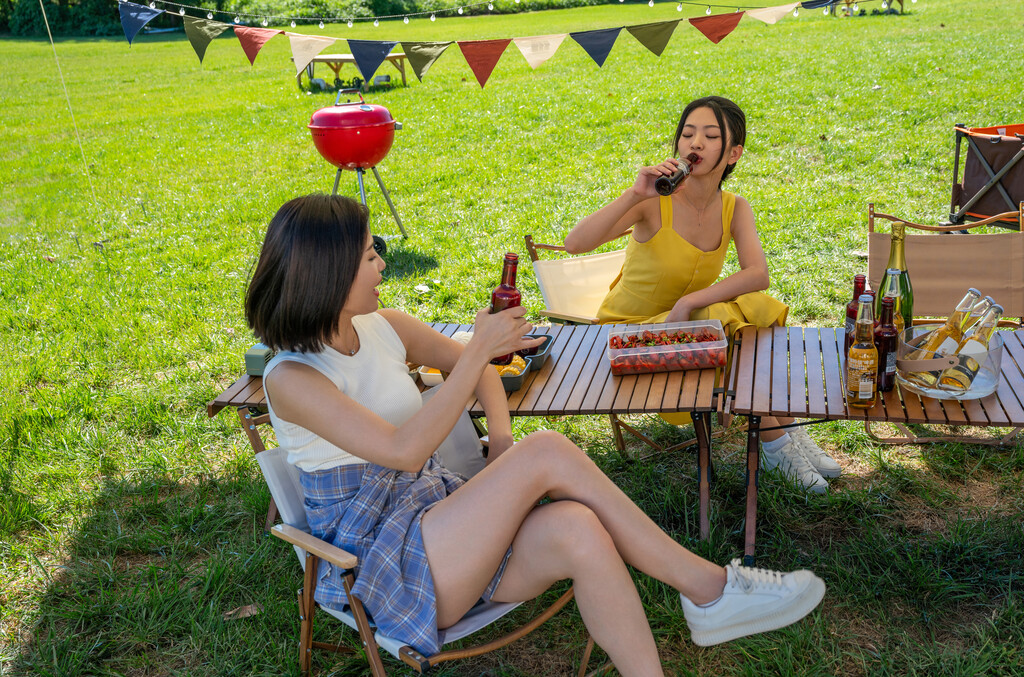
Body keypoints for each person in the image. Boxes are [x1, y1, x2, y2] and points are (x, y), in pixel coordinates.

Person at [244, 194, 826, 676]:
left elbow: (485, 378)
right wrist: (478, 352)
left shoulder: (383, 326)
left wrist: (499, 442)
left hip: (440, 519)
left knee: (577, 528)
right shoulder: (293, 377)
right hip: (380, 560)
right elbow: (403, 449)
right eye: (371, 256)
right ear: (330, 270)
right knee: (545, 448)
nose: (381, 267)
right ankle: (711, 587)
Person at [565, 96, 841, 494]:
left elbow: (758, 274)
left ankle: (782, 434)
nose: (694, 143)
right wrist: (634, 193)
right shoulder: (653, 202)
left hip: (686, 327)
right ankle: (777, 442)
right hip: (626, 338)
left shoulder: (734, 207)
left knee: (746, 310)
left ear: (733, 154)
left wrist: (691, 301)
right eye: (687, 133)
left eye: (710, 136)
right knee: (722, 317)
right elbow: (575, 243)